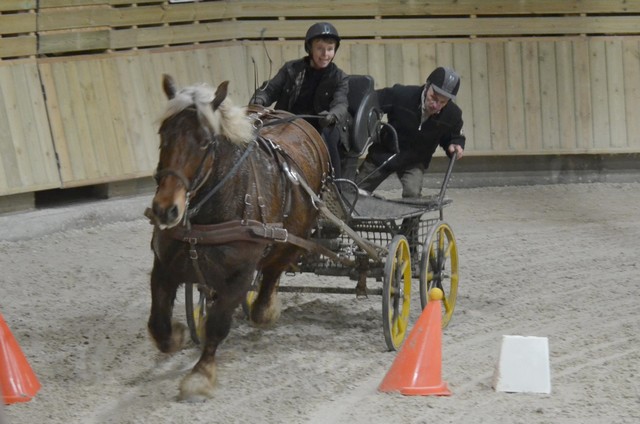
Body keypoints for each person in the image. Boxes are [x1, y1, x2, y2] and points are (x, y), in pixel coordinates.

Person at [250, 22, 349, 179]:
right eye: (320, 48)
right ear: (309, 48)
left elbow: (341, 102)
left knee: (330, 139)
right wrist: (260, 99)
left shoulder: (339, 77)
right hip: (287, 120)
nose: (325, 54)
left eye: (330, 49)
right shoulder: (291, 69)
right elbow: (271, 89)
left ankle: (336, 186)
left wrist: (332, 115)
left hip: (320, 124)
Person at [356, 66, 465, 197]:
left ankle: (412, 218)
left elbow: (454, 136)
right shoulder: (401, 95)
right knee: (355, 191)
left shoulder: (453, 115)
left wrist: (455, 143)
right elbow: (371, 102)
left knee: (413, 196)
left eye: (443, 102)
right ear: (427, 86)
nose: (436, 105)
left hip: (414, 161)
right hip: (384, 152)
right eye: (433, 97)